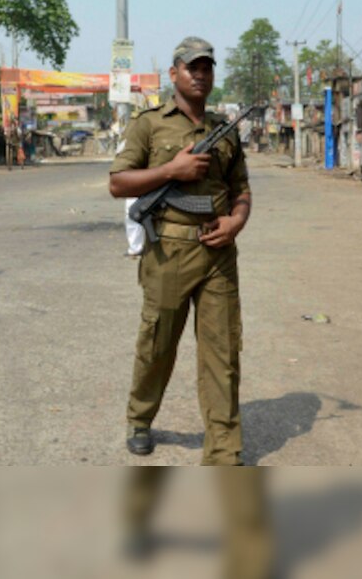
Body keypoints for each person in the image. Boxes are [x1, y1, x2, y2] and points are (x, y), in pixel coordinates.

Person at [108, 37, 253, 466]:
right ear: (174, 74)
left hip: (218, 254)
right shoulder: (149, 125)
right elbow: (118, 183)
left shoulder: (223, 129)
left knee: (222, 354)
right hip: (168, 253)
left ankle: (224, 454)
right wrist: (173, 170)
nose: (201, 74)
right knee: (157, 345)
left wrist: (236, 222)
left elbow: (241, 189)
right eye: (193, 67)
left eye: (207, 67)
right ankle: (140, 418)